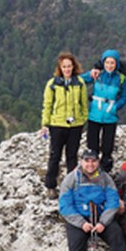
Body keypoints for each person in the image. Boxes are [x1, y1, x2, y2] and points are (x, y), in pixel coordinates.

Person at [59, 149, 126, 251]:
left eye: (93, 161)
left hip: (100, 216)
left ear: (98, 162)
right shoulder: (71, 179)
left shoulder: (105, 178)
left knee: (116, 233)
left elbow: (113, 201)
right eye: (87, 161)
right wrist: (81, 223)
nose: (90, 164)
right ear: (81, 162)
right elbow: (65, 205)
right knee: (76, 240)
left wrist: (103, 222)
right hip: (79, 217)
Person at [41, 52, 89, 197]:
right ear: (60, 68)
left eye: (69, 66)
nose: (67, 69)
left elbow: (84, 104)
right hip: (57, 124)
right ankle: (51, 186)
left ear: (73, 67)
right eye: (64, 67)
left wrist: (82, 120)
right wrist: (45, 124)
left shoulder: (80, 83)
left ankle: (71, 186)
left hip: (75, 126)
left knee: (72, 156)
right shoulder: (52, 84)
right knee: (55, 155)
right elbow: (47, 105)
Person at [81, 49, 126, 173]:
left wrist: (115, 107)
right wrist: (91, 72)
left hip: (110, 116)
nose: (109, 66)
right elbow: (80, 80)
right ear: (103, 63)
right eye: (107, 62)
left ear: (117, 64)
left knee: (108, 147)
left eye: (112, 63)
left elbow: (124, 97)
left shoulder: (121, 79)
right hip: (94, 115)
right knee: (92, 146)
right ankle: (91, 170)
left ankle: (105, 172)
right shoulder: (97, 75)